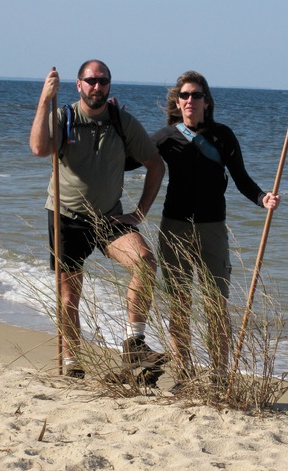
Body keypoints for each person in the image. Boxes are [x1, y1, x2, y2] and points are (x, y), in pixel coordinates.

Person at [30, 60, 166, 378]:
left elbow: (156, 165)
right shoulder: (64, 116)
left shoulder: (121, 121)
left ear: (109, 85)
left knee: (145, 262)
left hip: (109, 217)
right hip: (66, 216)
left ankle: (134, 343)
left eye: (103, 81)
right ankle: (73, 362)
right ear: (79, 85)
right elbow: (38, 148)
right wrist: (44, 99)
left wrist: (139, 213)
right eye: (91, 80)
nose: (97, 86)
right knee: (69, 296)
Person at [152, 70, 280, 386]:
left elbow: (241, 179)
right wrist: (116, 123)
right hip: (174, 228)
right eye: (184, 95)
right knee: (179, 304)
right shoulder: (165, 137)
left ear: (207, 101)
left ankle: (220, 376)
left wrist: (263, 198)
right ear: (177, 102)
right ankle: (182, 373)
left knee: (215, 305)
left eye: (196, 95)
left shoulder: (223, 136)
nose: (190, 100)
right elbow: (129, 160)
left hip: (213, 229)